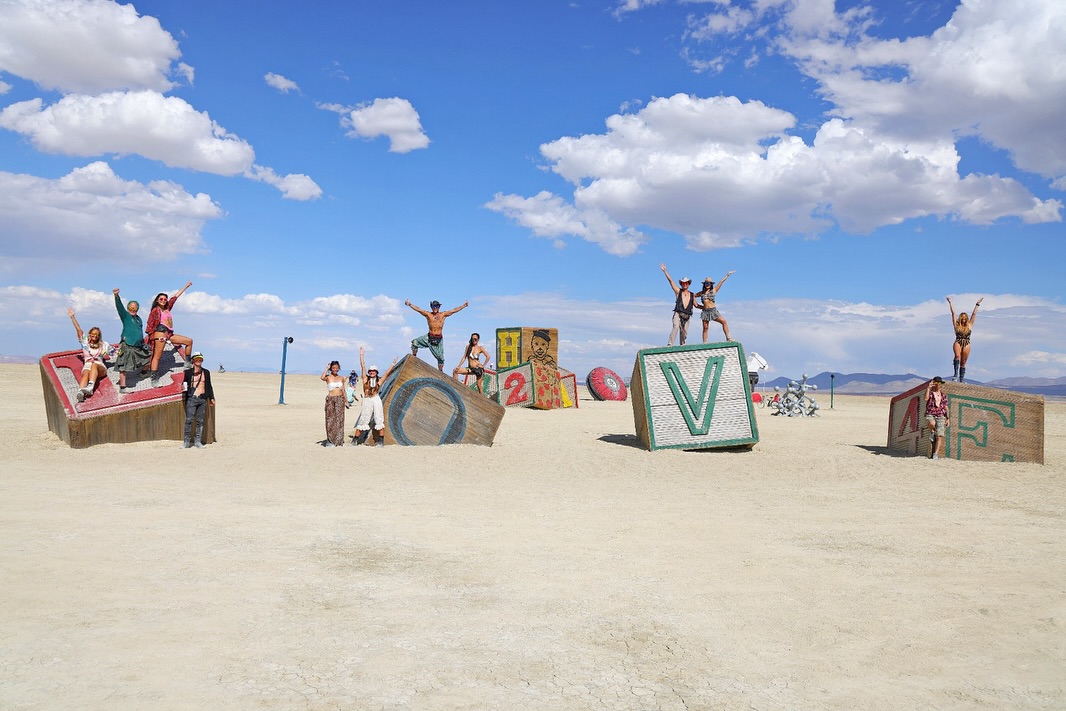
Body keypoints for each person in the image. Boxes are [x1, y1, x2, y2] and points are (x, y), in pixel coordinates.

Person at [146, 281, 194, 385]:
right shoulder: (155, 310)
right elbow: (150, 324)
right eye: (161, 299)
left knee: (189, 341)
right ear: (157, 301)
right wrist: (151, 336)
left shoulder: (167, 309)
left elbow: (175, 297)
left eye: (165, 299)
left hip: (169, 334)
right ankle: (154, 378)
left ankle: (187, 362)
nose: (163, 300)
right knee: (157, 356)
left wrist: (186, 286)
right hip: (160, 333)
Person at [405, 299, 468, 370]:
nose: (435, 308)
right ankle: (414, 358)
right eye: (433, 306)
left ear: (439, 307)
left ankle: (440, 371)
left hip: (438, 339)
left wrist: (463, 306)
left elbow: (453, 310)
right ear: (431, 307)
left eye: (437, 306)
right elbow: (419, 310)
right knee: (415, 342)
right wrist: (410, 304)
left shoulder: (443, 315)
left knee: (440, 358)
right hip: (429, 337)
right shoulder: (428, 315)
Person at [353, 347, 397, 447]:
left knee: (379, 418)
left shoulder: (379, 381)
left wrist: (393, 364)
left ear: (376, 372)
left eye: (374, 371)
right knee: (364, 418)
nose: (372, 372)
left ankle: (381, 442)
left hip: (376, 399)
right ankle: (355, 441)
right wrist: (361, 355)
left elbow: (387, 373)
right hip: (367, 400)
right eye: (371, 371)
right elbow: (362, 367)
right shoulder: (365, 379)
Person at [67, 308, 111, 403]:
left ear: (99, 336)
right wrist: (72, 317)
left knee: (94, 364)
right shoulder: (85, 342)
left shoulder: (104, 345)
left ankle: (90, 387)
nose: (95, 336)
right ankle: (80, 392)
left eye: (97, 335)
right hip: (87, 364)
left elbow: (115, 352)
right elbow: (78, 330)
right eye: (93, 334)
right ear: (90, 334)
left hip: (99, 367)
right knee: (86, 372)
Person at [111, 288, 150, 392]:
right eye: (131, 308)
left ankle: (143, 373)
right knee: (123, 366)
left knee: (149, 356)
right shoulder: (126, 316)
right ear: (128, 309)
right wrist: (116, 296)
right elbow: (119, 307)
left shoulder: (139, 319)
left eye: (135, 308)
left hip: (139, 346)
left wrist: (143, 342)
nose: (133, 310)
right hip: (127, 345)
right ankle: (123, 388)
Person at [181, 352, 214, 448]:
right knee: (189, 420)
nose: (199, 361)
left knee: (200, 421)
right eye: (197, 359)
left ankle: (198, 441)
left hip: (202, 399)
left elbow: (209, 386)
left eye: (200, 359)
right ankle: (186, 442)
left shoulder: (206, 372)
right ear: (193, 360)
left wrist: (212, 398)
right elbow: (184, 384)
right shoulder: (188, 372)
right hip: (192, 399)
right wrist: (183, 390)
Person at [947, 296, 982, 382]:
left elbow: (974, 314)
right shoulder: (956, 325)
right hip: (958, 341)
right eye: (962, 318)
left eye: (965, 318)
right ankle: (955, 374)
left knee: (963, 362)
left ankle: (961, 379)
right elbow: (953, 314)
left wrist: (977, 304)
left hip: (967, 342)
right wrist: (950, 303)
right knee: (957, 356)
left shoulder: (969, 325)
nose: (963, 320)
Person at [695, 271, 736, 342]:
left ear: (711, 284)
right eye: (706, 283)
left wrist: (727, 275)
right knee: (705, 328)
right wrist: (697, 305)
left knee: (723, 321)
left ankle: (728, 338)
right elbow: (693, 296)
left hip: (713, 310)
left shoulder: (713, 291)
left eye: (709, 283)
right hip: (705, 312)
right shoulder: (701, 293)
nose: (707, 284)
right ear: (704, 284)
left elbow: (721, 282)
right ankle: (705, 343)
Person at [660, 264, 695, 346]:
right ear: (681, 284)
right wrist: (665, 271)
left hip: (687, 315)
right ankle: (670, 343)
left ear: (688, 284)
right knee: (675, 326)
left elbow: (696, 305)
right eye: (683, 283)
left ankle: (682, 345)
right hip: (678, 313)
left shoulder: (691, 295)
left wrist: (705, 307)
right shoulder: (678, 291)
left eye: (686, 283)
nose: (685, 284)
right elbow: (671, 281)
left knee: (684, 332)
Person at [321, 360, 346, 447]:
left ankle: (338, 441)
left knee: (340, 419)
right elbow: (322, 377)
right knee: (330, 419)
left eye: (337, 368)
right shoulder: (328, 377)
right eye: (333, 368)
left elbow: (343, 390)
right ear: (331, 368)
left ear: (339, 368)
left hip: (340, 399)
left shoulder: (341, 378)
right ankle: (330, 440)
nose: (335, 369)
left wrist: (346, 401)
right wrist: (326, 368)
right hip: (331, 399)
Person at [924, 376, 950, 460]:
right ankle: (931, 432)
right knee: (932, 423)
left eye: (939, 383)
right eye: (936, 383)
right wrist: (928, 388)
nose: (938, 385)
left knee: (939, 435)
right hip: (931, 413)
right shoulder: (931, 393)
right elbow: (926, 398)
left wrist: (948, 418)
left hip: (940, 415)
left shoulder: (943, 395)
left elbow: (946, 407)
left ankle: (936, 454)